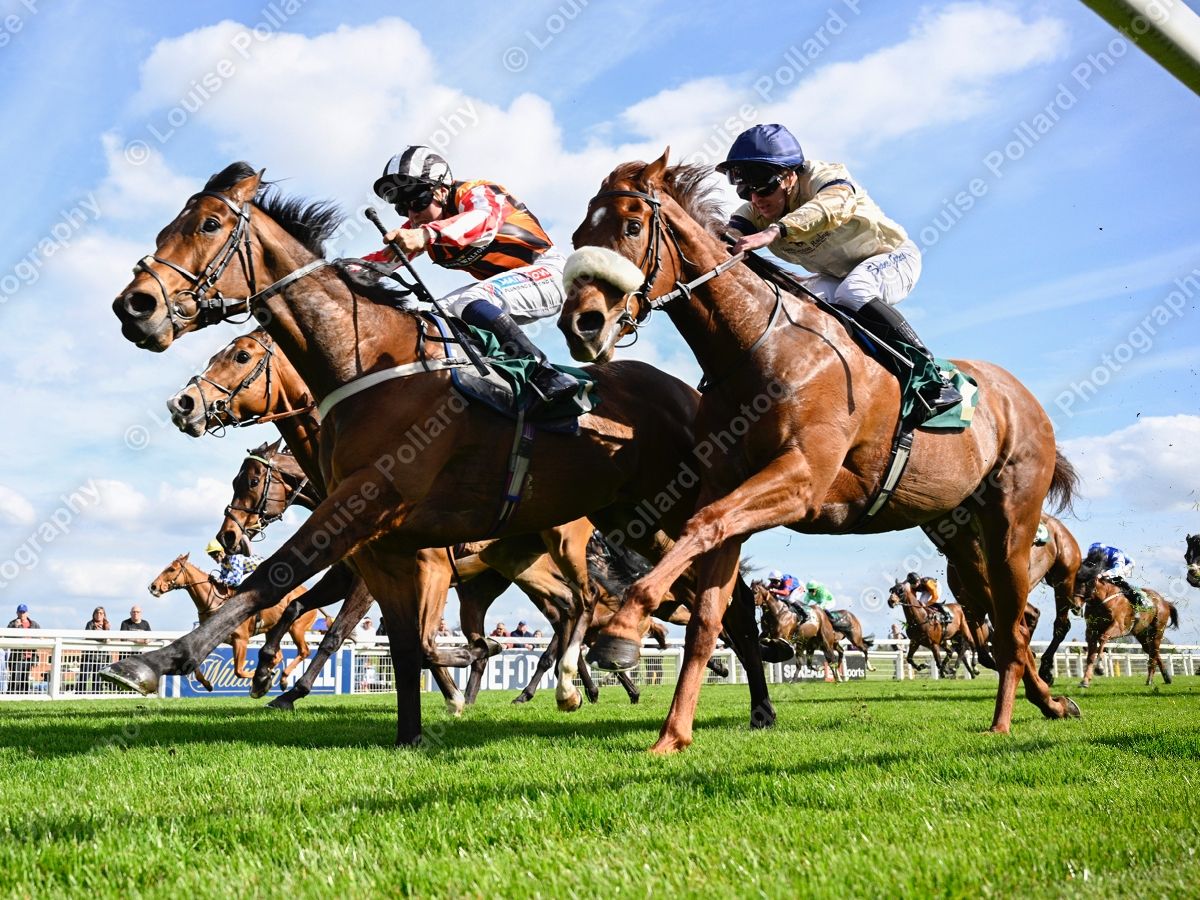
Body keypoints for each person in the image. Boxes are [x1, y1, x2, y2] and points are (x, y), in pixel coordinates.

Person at [718, 124, 960, 416]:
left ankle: (932, 378)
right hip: (836, 276)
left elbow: (831, 205)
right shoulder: (752, 213)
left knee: (854, 291)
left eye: (764, 187)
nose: (756, 199)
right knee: (797, 307)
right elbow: (721, 239)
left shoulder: (824, 176)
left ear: (790, 175)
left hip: (893, 257)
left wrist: (774, 231)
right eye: (746, 191)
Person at [367, 146, 578, 403]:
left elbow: (482, 222)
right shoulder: (421, 225)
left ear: (441, 190)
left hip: (550, 272)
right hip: (504, 290)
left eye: (417, 202)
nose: (412, 214)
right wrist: (337, 271)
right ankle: (489, 380)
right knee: (433, 315)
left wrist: (426, 234)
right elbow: (381, 261)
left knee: (472, 299)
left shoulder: (478, 192)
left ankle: (545, 373)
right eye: (402, 209)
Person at [1087, 543, 1145, 608]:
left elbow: (1117, 570)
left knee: (1116, 579)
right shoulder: (1097, 555)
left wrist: (1102, 574)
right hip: (1109, 563)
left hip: (1126, 564)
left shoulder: (1116, 555)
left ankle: (1138, 599)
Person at [5, 604, 40, 694]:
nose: (22, 614)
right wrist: (16, 627)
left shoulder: (34, 624)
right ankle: (11, 695)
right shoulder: (12, 623)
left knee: (25, 679)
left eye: (23, 612)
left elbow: (40, 638)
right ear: (17, 613)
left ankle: (24, 696)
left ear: (27, 613)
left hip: (29, 657)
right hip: (17, 657)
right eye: (20, 612)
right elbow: (7, 637)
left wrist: (36, 657)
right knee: (15, 678)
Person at [81, 606, 111, 693]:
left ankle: (97, 693)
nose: (99, 614)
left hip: (102, 656)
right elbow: (88, 637)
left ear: (104, 615)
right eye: (97, 613)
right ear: (94, 614)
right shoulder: (90, 624)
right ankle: (80, 692)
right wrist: (101, 638)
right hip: (89, 655)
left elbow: (109, 638)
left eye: (101, 613)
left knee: (98, 677)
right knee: (84, 676)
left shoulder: (106, 625)